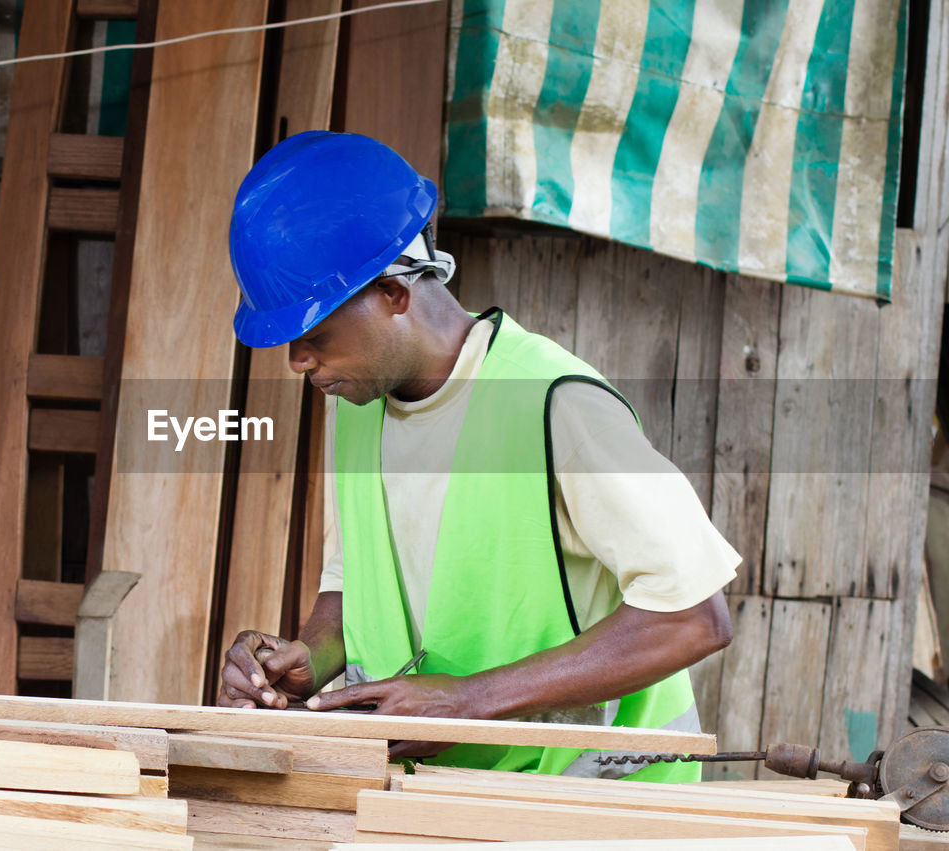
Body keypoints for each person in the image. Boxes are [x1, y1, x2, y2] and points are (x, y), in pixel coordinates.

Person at [218, 131, 738, 781]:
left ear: (395, 291)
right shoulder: (352, 407)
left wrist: (468, 700)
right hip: (462, 791)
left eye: (314, 333)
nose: (298, 360)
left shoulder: (557, 405)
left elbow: (695, 616)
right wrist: (306, 657)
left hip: (603, 801)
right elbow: (353, 588)